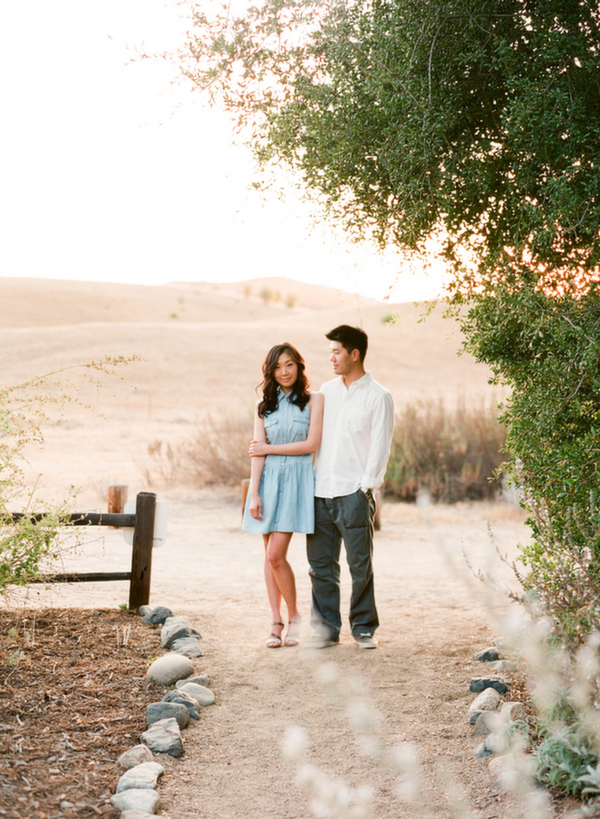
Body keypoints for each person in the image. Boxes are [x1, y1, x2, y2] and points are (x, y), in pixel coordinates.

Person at [305, 325, 394, 650]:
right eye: (330, 352)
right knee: (320, 567)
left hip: (354, 493)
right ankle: (326, 630)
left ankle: (364, 628)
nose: (331, 358)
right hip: (320, 492)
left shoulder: (379, 396)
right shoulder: (325, 391)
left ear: (354, 354)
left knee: (360, 566)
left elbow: (380, 447)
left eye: (336, 351)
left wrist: (366, 488)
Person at [243, 343, 324, 648]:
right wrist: (254, 493)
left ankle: (295, 617)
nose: (284, 372)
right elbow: (257, 453)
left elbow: (311, 444)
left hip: (296, 483)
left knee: (276, 555)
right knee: (270, 556)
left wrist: (269, 448)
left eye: (289, 365)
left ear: (299, 366)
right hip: (267, 484)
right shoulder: (263, 405)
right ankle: (276, 622)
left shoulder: (315, 400)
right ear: (270, 372)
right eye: (277, 367)